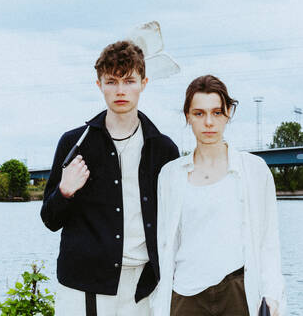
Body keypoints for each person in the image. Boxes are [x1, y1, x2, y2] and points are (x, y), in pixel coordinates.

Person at [40, 40, 179, 316]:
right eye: (111, 81)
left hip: (142, 286)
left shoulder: (163, 149)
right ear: (99, 84)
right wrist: (65, 192)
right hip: (82, 286)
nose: (120, 91)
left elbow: (176, 222)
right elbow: (49, 219)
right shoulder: (74, 144)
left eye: (129, 81)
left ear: (144, 82)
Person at [152, 75, 286, 316]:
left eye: (217, 112)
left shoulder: (254, 170)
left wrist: (272, 294)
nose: (209, 123)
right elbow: (165, 243)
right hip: (185, 295)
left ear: (229, 114)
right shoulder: (170, 175)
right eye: (199, 114)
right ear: (188, 117)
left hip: (237, 292)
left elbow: (269, 241)